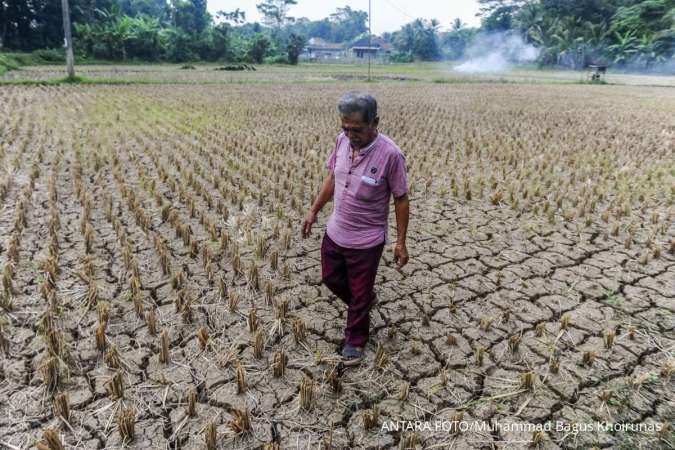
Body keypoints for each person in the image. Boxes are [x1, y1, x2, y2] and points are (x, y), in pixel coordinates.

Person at [302, 91, 410, 366]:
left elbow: (401, 198)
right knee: (330, 278)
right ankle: (362, 304)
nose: (351, 135)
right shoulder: (341, 142)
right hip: (336, 231)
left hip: (367, 239)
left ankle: (355, 341)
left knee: (360, 294)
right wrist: (314, 211)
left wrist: (400, 242)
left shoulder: (391, 155)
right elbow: (332, 178)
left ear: (375, 122)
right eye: (345, 128)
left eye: (357, 129)